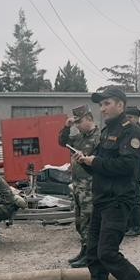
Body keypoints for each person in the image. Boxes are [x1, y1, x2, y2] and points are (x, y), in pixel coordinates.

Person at [73, 87, 140, 280]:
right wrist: (85, 162)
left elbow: (127, 167)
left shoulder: (132, 132)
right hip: (102, 200)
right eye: (101, 105)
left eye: (107, 104)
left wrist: (97, 161)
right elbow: (101, 166)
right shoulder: (107, 131)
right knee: (93, 255)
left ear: (121, 105)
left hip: (119, 200)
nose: (102, 109)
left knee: (107, 253)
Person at [57, 107, 100, 267]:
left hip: (90, 185)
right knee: (79, 220)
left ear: (89, 118)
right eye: (76, 123)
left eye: (80, 122)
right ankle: (84, 250)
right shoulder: (79, 138)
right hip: (77, 184)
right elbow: (62, 141)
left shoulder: (99, 138)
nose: (78, 126)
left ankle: (90, 255)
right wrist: (67, 127)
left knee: (88, 220)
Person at [122, 106, 140, 237]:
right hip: (128, 173)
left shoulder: (136, 133)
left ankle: (136, 226)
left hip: (135, 172)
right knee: (127, 199)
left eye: (130, 117)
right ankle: (128, 225)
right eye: (126, 117)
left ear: (137, 118)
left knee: (135, 200)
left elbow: (134, 155)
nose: (127, 119)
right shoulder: (128, 131)